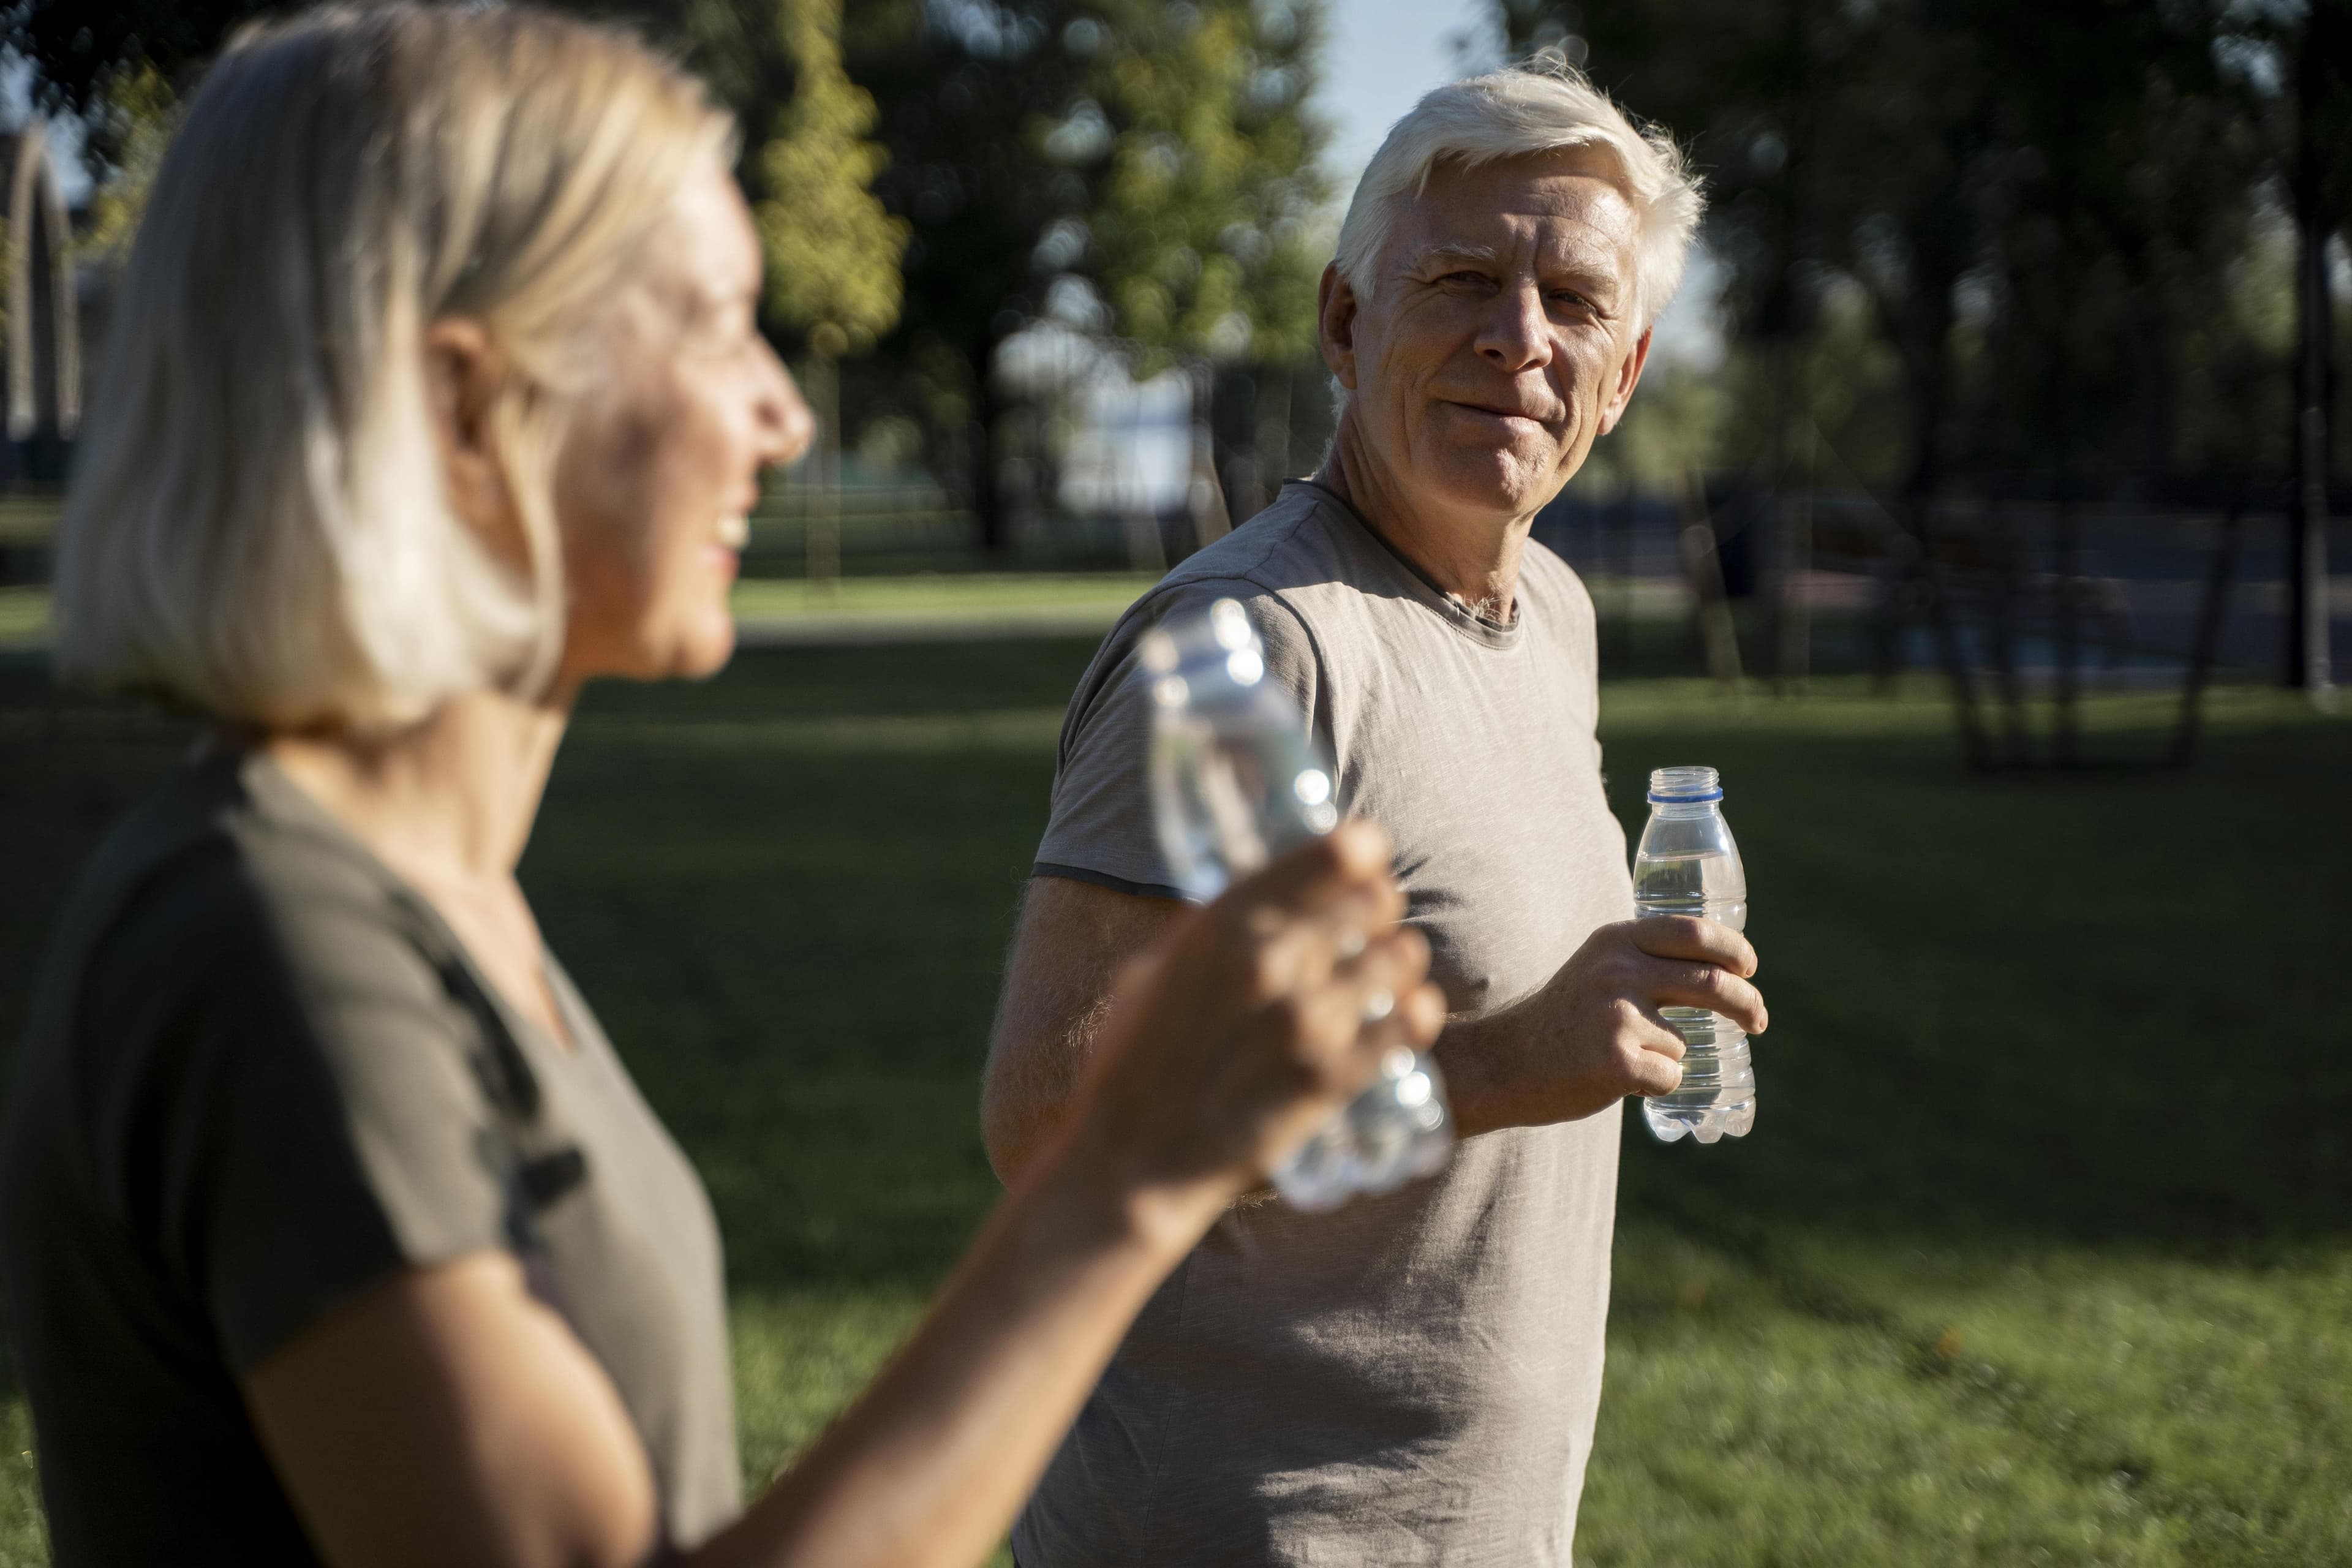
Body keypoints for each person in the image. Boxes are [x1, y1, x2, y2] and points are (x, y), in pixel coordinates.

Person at [0, 9, 1448, 1567]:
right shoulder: (269, 952)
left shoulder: (418, 900)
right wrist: (1125, 1175)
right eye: (711, 327)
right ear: (469, 408)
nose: (784, 412)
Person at [983, 57, 1772, 1567]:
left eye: (1577, 303)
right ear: (1348, 324)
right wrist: (1504, 1059)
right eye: (1465, 278)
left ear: (1631, 368)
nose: (1519, 340)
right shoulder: (1250, 646)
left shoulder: (1547, 611)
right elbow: (1054, 1116)